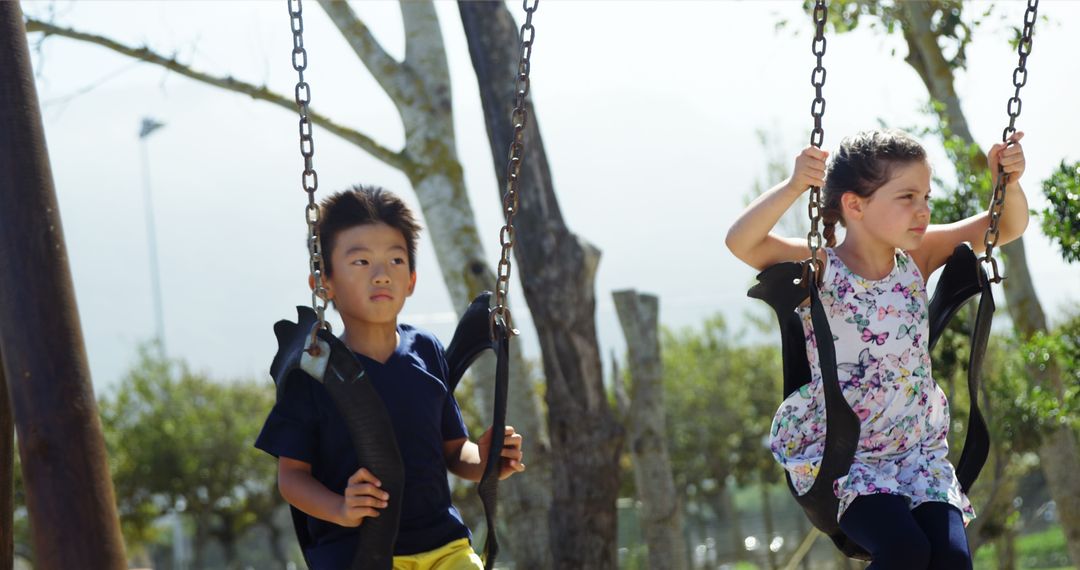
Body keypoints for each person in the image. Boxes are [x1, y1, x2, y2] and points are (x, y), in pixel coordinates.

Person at [725, 129, 1028, 569]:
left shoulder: (918, 258)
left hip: (915, 453)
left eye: (925, 195)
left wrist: (1009, 182)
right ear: (855, 204)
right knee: (905, 551)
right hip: (846, 458)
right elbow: (742, 242)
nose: (923, 210)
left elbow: (1007, 225)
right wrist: (794, 187)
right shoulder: (823, 267)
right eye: (907, 197)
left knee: (951, 559)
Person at [255, 185, 526, 570]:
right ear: (323, 283)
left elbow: (453, 451)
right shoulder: (315, 370)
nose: (382, 275)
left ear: (412, 280)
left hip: (444, 546)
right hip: (361, 553)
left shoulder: (427, 350)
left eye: (396, 261)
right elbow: (292, 478)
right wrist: (340, 507)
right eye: (361, 262)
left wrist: (485, 458)